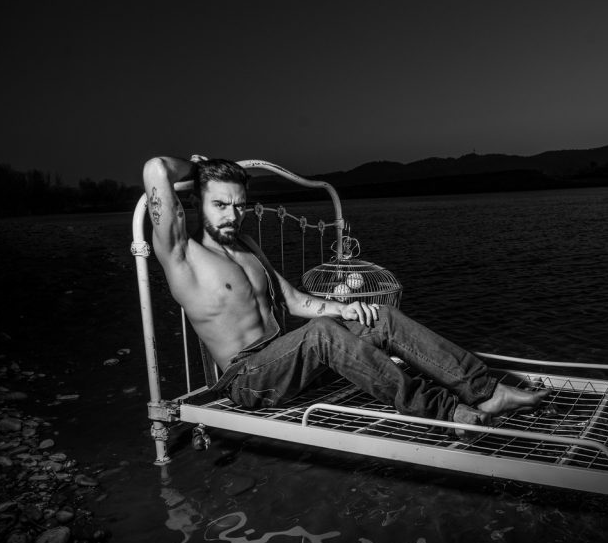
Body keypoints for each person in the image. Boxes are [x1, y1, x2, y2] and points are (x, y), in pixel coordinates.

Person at [142, 156, 548, 428]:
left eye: (240, 205)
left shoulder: (247, 245)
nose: (233, 215)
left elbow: (295, 301)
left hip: (285, 360)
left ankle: (486, 391)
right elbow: (156, 168)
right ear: (195, 201)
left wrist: (348, 308)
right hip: (247, 381)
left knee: (379, 316)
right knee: (322, 333)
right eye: (220, 205)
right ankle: (444, 412)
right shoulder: (181, 254)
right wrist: (197, 166)